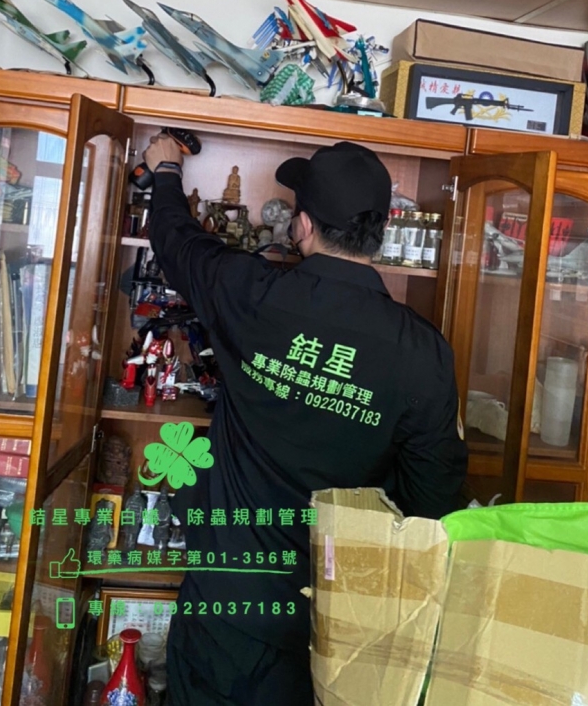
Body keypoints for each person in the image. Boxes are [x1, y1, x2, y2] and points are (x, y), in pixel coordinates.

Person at [144, 135, 468, 706]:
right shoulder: (423, 352)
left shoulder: (251, 293)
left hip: (229, 605)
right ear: (381, 231)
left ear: (304, 226)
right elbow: (433, 507)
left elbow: (178, 242)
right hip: (341, 626)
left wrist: (167, 171)